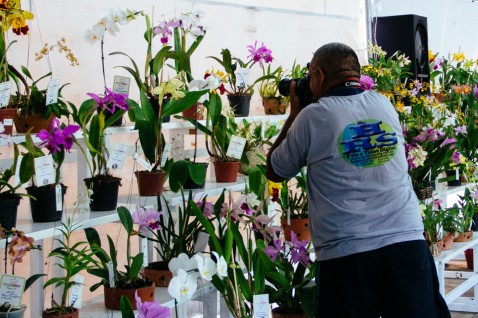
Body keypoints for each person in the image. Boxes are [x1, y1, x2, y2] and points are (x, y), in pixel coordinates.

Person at [266, 42, 451, 318]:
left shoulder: (313, 116)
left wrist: (294, 113)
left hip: (347, 253)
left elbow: (275, 170)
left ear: (318, 75)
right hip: (407, 242)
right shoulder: (383, 103)